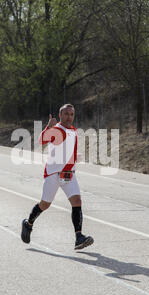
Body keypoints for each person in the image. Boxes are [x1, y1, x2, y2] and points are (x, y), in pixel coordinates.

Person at [21, 104, 94, 250]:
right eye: (66, 114)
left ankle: (79, 237)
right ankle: (28, 224)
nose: (69, 117)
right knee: (45, 204)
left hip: (69, 174)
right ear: (60, 115)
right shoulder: (57, 129)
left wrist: (75, 157)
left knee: (77, 201)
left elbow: (67, 148)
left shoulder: (73, 130)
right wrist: (48, 127)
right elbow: (41, 141)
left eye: (72, 114)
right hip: (54, 174)